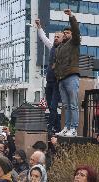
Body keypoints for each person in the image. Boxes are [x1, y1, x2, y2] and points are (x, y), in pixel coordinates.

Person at [54, 9, 81, 137]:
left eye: (67, 32)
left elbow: (76, 30)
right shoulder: (60, 47)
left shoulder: (74, 42)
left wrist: (71, 17)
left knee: (73, 104)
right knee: (66, 105)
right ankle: (67, 127)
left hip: (71, 76)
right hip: (61, 79)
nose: (65, 34)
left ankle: (74, 129)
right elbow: (57, 63)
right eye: (64, 33)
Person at [35, 19, 63, 134]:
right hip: (49, 81)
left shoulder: (64, 50)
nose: (55, 38)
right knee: (50, 106)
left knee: (53, 106)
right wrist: (39, 26)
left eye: (58, 37)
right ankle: (56, 126)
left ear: (63, 39)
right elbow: (43, 37)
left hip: (57, 82)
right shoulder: (51, 46)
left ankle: (52, 126)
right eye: (55, 36)